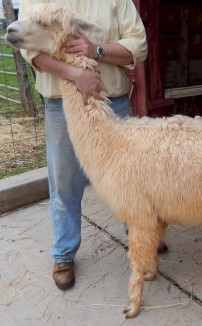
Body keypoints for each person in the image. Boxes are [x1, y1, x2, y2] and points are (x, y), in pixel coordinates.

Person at [18, 0, 154, 291]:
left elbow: (138, 45)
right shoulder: (39, 2)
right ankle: (64, 253)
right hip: (62, 106)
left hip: (112, 102)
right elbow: (29, 47)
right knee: (65, 181)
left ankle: (140, 240)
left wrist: (96, 50)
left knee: (128, 180)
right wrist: (75, 73)